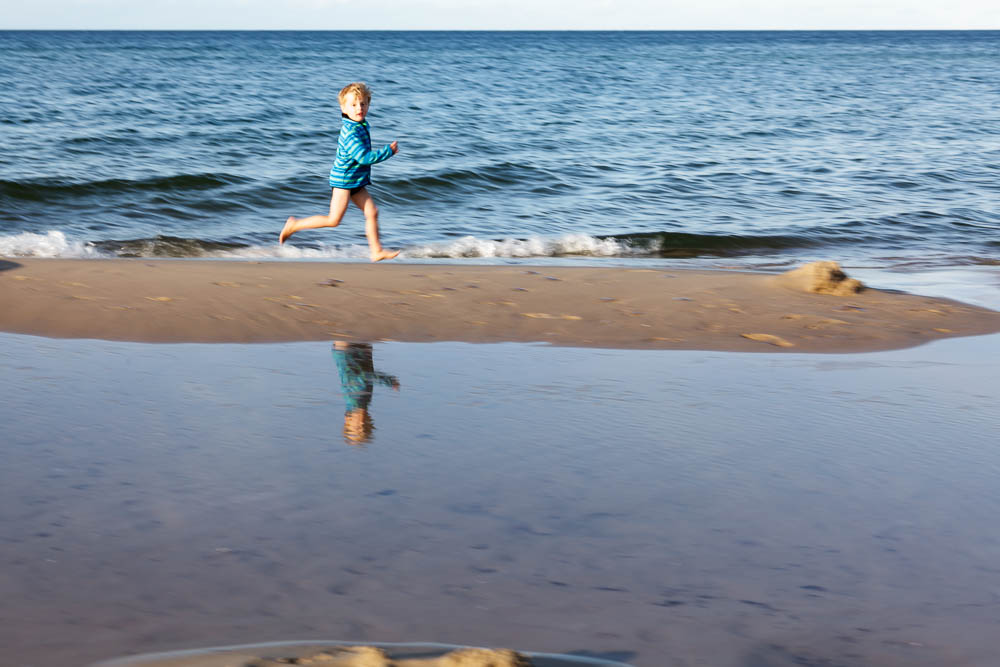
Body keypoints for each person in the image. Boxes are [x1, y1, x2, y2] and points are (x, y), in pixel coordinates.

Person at [280, 82, 400, 262]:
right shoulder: (350, 132)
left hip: (356, 180)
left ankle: (376, 251)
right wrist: (387, 152)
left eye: (363, 104)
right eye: (353, 105)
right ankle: (294, 225)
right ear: (343, 108)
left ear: (368, 105)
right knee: (333, 220)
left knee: (372, 212)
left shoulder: (360, 125)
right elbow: (363, 158)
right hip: (344, 181)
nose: (359, 108)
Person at [332, 341, 399, 445]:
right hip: (354, 351)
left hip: (347, 349)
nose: (362, 424)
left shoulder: (355, 400)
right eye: (367, 426)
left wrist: (389, 381)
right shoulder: (361, 404)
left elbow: (364, 376)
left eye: (357, 427)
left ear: (348, 420)